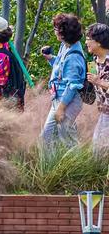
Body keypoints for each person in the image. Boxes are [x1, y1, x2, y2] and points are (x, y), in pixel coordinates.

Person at [41, 13, 85, 147]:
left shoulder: (73, 56)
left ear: (63, 33)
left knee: (66, 138)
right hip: (59, 97)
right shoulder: (66, 45)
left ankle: (77, 166)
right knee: (48, 136)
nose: (54, 31)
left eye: (56, 29)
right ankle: (53, 165)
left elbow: (72, 85)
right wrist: (51, 59)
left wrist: (61, 108)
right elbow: (61, 67)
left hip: (67, 100)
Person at [85, 23, 109, 153]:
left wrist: (99, 81)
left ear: (99, 42)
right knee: (97, 149)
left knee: (99, 151)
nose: (86, 42)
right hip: (103, 111)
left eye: (89, 38)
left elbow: (99, 82)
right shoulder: (94, 61)